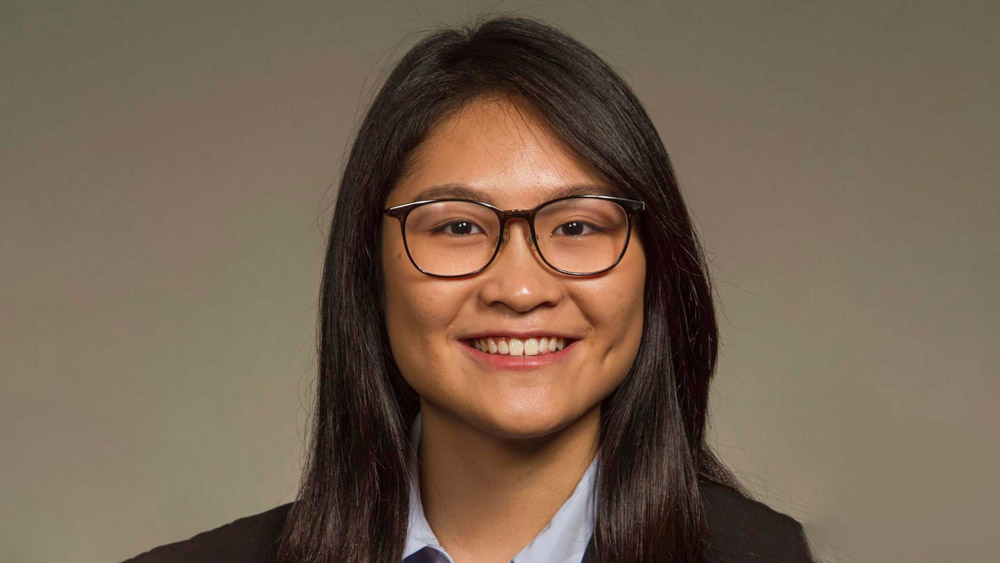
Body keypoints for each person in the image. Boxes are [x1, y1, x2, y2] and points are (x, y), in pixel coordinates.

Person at [125, 15, 814, 563]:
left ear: (653, 267)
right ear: (370, 271)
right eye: (457, 226)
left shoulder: (763, 554)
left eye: (577, 225)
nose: (520, 288)